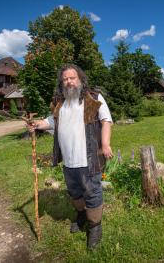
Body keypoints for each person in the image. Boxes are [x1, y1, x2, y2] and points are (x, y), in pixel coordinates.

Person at [28, 64, 113, 250]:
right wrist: (36, 124)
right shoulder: (60, 102)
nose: (68, 82)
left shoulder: (93, 98)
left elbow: (106, 120)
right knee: (75, 193)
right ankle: (81, 215)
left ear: (80, 79)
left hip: (89, 159)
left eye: (72, 78)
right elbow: (50, 122)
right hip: (68, 160)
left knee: (92, 193)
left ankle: (95, 228)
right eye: (65, 79)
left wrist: (105, 144)